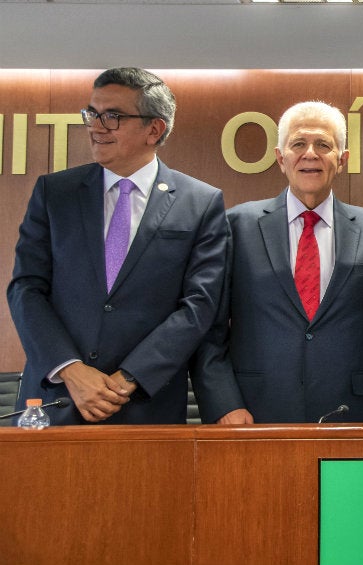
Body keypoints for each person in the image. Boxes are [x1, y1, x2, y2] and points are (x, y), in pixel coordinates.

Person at [191, 101, 363, 424]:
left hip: (350, 414)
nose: (310, 154)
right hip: (253, 414)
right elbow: (207, 328)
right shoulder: (236, 226)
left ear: (342, 160)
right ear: (280, 158)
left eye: (323, 145)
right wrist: (224, 404)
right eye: (298, 144)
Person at [7, 67, 228, 424]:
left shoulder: (200, 202)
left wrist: (127, 379)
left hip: (144, 403)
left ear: (154, 129)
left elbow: (199, 306)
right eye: (92, 114)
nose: (96, 127)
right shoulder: (55, 193)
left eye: (113, 117)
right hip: (57, 399)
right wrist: (71, 370)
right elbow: (26, 288)